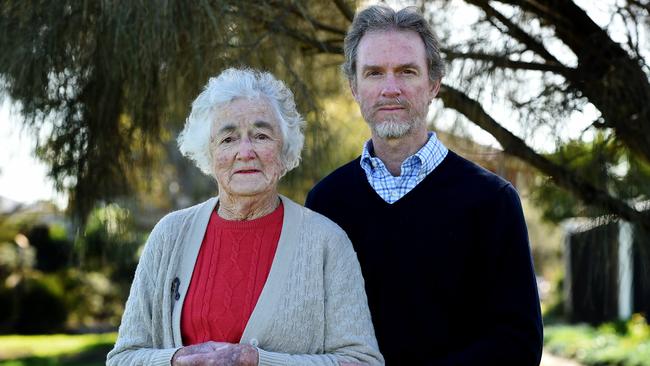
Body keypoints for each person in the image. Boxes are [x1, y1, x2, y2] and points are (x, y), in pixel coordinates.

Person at [305, 5, 543, 365]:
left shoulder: (492, 201)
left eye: (407, 72)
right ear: (354, 86)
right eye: (373, 73)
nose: (390, 88)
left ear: (433, 84)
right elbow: (312, 330)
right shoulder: (326, 202)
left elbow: (519, 342)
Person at [107, 68, 383, 366]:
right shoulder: (169, 234)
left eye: (261, 135)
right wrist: (177, 359)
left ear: (284, 148)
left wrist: (257, 360)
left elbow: (362, 361)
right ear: (209, 153)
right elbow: (123, 357)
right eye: (228, 139)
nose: (245, 151)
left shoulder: (327, 242)